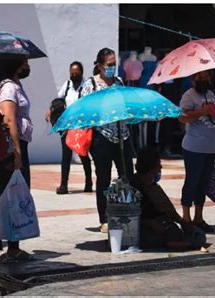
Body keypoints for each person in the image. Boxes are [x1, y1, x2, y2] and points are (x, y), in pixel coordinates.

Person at [0, 57, 36, 263]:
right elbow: (9, 120)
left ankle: (14, 247)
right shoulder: (8, 87)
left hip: (19, 145)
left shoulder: (17, 85)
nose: (28, 66)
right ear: (15, 63)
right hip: (10, 147)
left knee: (17, 196)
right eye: (25, 62)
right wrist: (16, 151)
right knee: (2, 196)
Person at [81, 48, 133, 234]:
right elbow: (86, 110)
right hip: (102, 137)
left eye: (114, 65)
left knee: (127, 176)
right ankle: (104, 218)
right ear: (99, 66)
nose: (112, 68)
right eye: (109, 65)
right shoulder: (91, 85)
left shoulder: (118, 82)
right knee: (103, 178)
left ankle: (127, 212)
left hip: (123, 136)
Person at [130, 147, 206, 250]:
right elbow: (125, 219)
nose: (160, 168)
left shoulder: (153, 186)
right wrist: (149, 223)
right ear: (150, 169)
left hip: (161, 225)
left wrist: (182, 222)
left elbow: (167, 208)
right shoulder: (131, 187)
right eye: (158, 165)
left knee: (193, 234)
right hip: (139, 230)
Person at [178, 70, 215, 233]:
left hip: (210, 147)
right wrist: (202, 112)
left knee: (203, 184)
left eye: (206, 77)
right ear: (193, 79)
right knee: (192, 181)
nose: (204, 79)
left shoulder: (211, 94)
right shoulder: (188, 96)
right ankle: (186, 217)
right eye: (200, 77)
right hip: (194, 147)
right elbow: (182, 117)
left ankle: (199, 217)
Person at [53, 61, 93, 195]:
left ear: (81, 73)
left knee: (83, 155)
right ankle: (63, 185)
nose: (74, 76)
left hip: (81, 126)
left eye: (77, 73)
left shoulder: (86, 86)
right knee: (66, 156)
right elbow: (59, 100)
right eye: (72, 73)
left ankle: (88, 182)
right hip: (67, 126)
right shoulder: (68, 85)